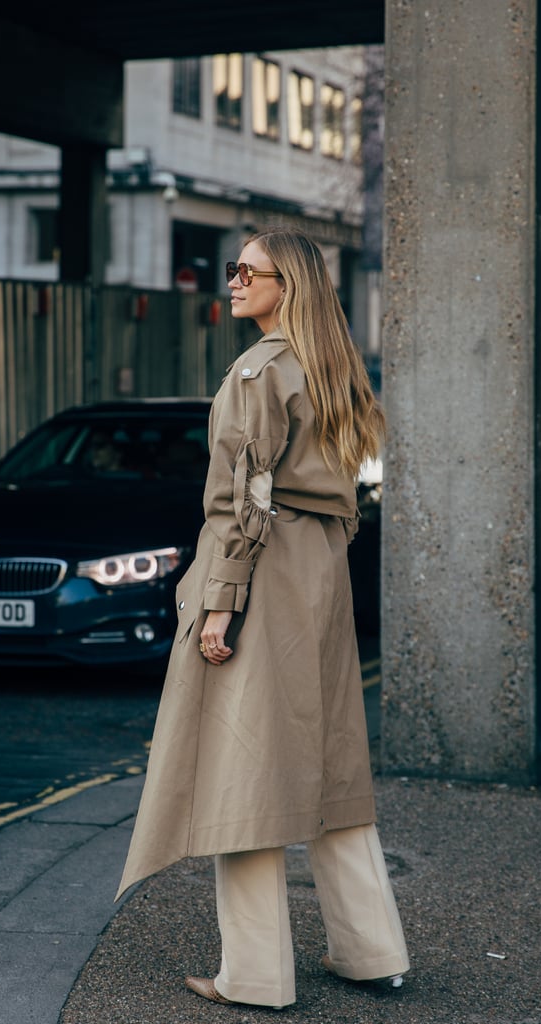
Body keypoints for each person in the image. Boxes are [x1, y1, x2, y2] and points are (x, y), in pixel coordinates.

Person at [115, 226, 409, 1009]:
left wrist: (220, 605)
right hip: (317, 576)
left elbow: (238, 503)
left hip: (262, 576)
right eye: (233, 268)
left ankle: (253, 976)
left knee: (240, 773)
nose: (233, 280)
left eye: (249, 271)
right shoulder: (332, 366)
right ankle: (373, 953)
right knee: (332, 766)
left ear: (290, 286)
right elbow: (344, 499)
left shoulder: (257, 369)